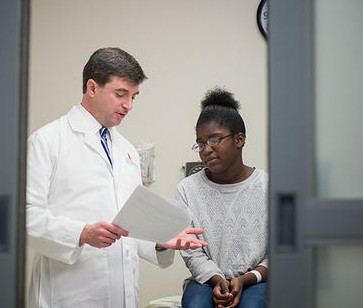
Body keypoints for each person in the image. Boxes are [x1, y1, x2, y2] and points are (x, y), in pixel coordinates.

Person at [26, 47, 207, 308]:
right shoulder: (48, 141)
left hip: (123, 295)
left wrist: (159, 241)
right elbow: (25, 217)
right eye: (121, 94)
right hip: (68, 294)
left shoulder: (127, 152)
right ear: (92, 88)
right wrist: (81, 233)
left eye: (134, 96)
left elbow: (129, 226)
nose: (129, 106)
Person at [177, 87, 268, 308]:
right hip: (207, 281)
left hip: (258, 279)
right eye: (200, 144)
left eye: (214, 140)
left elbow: (279, 252)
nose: (206, 150)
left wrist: (246, 279)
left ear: (239, 140)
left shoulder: (268, 186)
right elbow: (192, 253)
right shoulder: (187, 189)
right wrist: (217, 279)